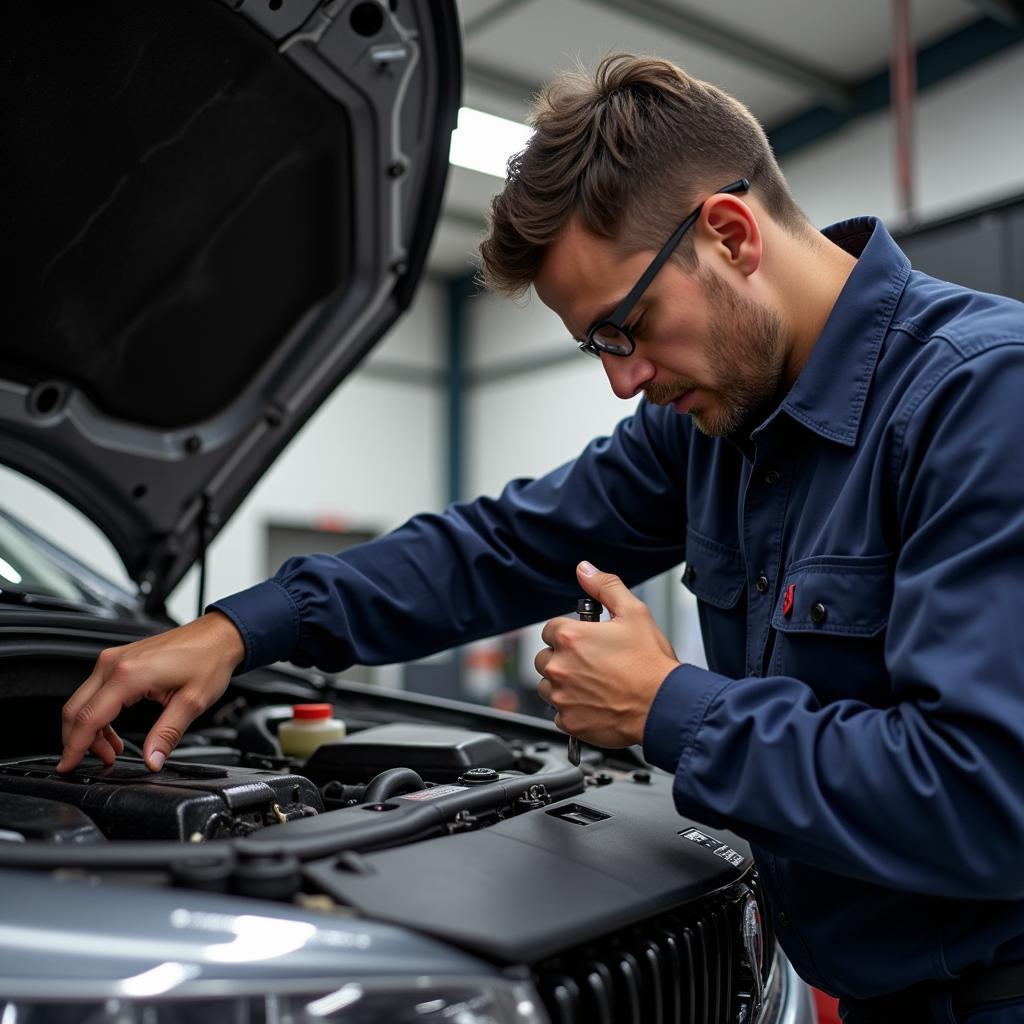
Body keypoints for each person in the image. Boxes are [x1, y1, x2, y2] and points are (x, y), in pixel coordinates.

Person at [58, 54, 1024, 1022]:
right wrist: (242, 629)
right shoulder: (711, 431)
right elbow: (496, 548)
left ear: (729, 235)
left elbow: (987, 798)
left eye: (628, 327)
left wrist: (667, 707)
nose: (623, 380)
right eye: (599, 346)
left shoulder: (980, 399)